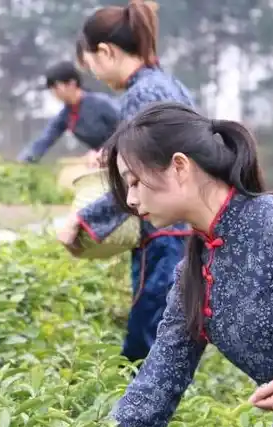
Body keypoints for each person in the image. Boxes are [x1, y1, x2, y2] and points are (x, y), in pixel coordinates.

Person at [87, 100, 273, 427]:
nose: (130, 200)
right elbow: (160, 377)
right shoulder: (193, 274)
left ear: (179, 166)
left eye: (134, 181)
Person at [58, 0, 196, 363]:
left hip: (166, 231)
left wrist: (83, 220)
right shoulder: (166, 84)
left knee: (147, 335)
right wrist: (110, 151)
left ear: (105, 51)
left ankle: (133, 416)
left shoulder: (140, 94)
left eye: (91, 64)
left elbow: (141, 176)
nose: (96, 76)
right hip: (186, 227)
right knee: (171, 325)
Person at [17, 60, 119, 165]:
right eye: (51, 88)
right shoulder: (65, 116)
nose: (53, 92)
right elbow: (44, 140)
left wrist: (107, 150)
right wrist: (22, 162)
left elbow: (127, 125)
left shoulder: (100, 103)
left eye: (56, 87)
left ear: (71, 84)